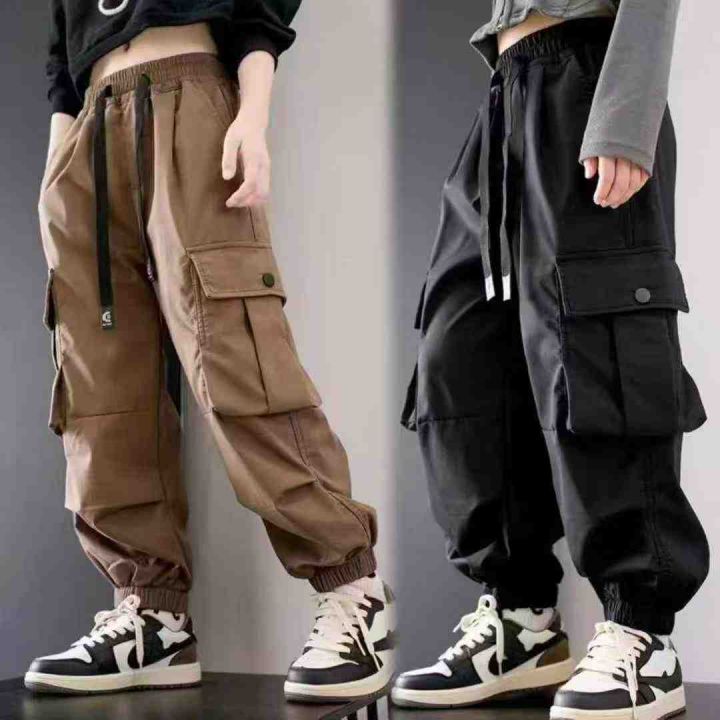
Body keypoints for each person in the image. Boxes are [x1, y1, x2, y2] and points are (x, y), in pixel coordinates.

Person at [27, 0, 395, 701]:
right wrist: (57, 171)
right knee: (100, 389)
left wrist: (252, 114)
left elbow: (258, 7)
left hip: (189, 95)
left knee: (235, 358)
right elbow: (61, 48)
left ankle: (352, 589)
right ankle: (153, 615)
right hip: (88, 125)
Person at [393, 3, 708, 719]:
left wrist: (626, 112)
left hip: (590, 81)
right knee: (464, 355)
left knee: (599, 346)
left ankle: (643, 633)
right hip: (508, 88)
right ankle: (522, 620)